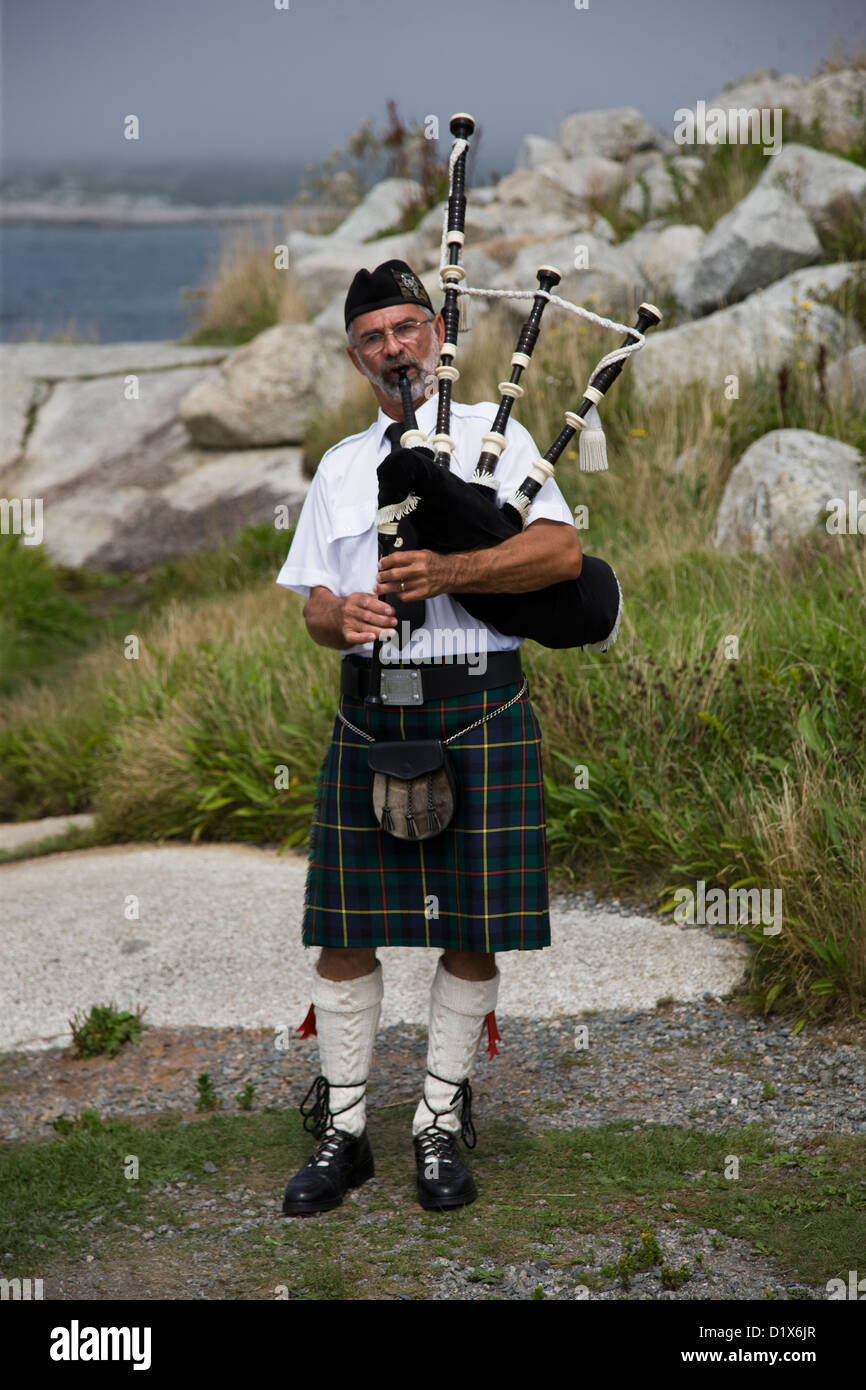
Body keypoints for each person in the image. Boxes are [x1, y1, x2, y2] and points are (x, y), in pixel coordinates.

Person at [275, 259, 581, 1215]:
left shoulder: (502, 434)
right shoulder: (339, 467)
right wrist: (345, 618)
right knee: (345, 930)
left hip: (480, 703)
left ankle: (440, 1122)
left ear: (439, 339)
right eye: (374, 337)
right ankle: (347, 1131)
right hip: (372, 708)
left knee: (472, 929)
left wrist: (454, 566)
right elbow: (316, 607)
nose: (394, 348)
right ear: (356, 357)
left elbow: (561, 553)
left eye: (408, 329)